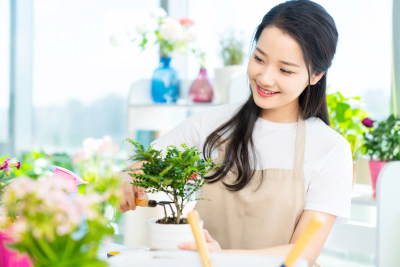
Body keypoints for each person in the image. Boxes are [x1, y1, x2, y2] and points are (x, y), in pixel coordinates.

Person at [119, 0, 352, 265]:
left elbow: (304, 252)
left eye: (285, 70)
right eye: (259, 58)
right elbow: (142, 163)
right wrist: (128, 177)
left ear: (316, 75)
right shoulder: (213, 123)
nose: (264, 77)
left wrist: (222, 258)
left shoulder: (331, 149)